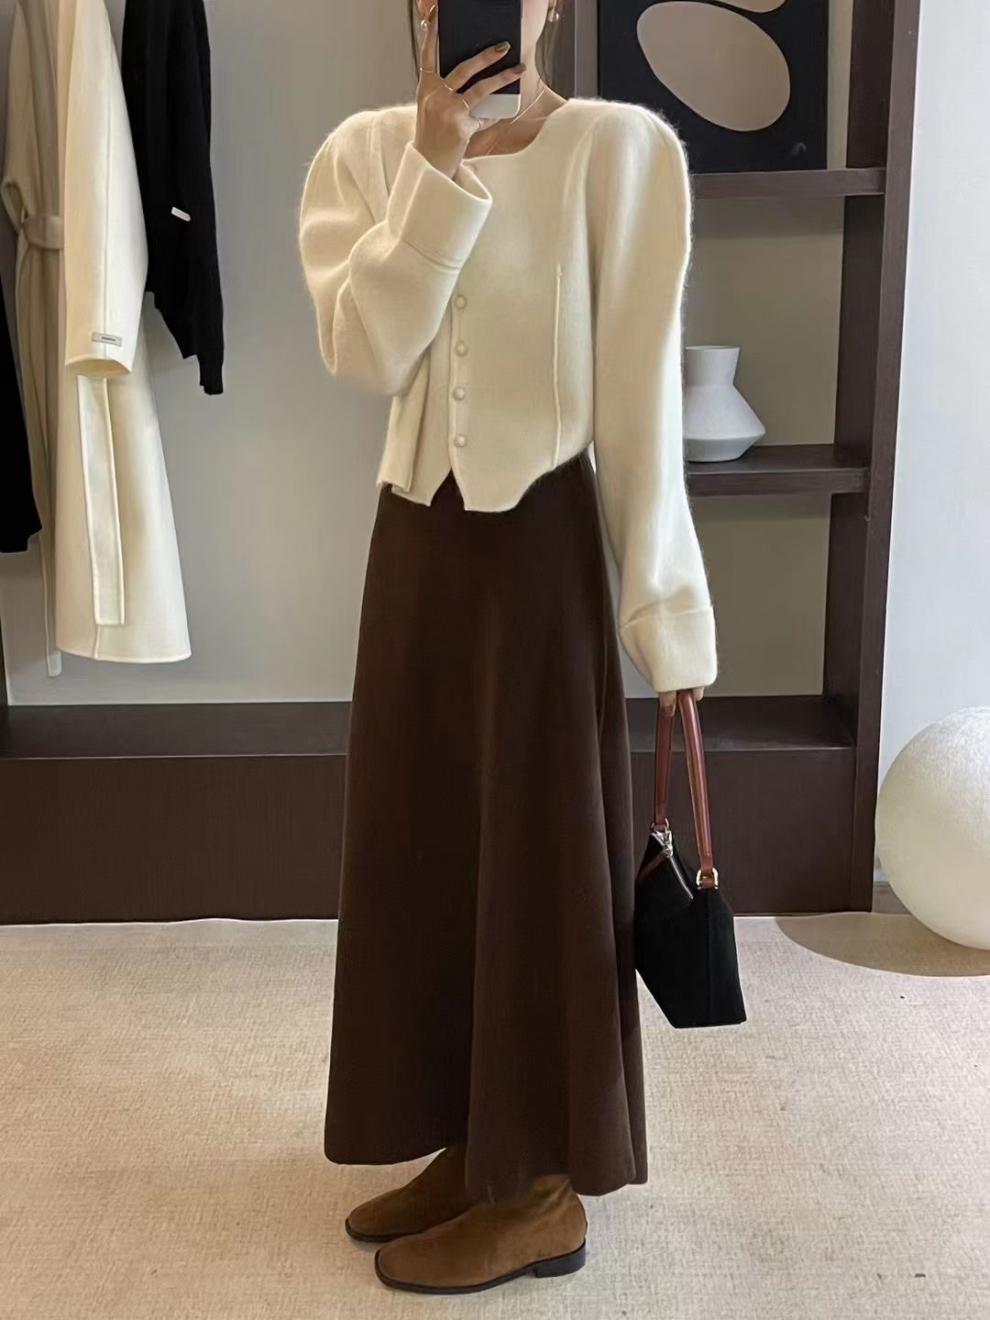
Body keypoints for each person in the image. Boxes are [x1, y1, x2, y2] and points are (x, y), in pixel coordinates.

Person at [297, 0, 718, 1295]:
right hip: (413, 550)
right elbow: (365, 352)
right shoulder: (363, 155)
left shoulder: (618, 152)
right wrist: (434, 161)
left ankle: (538, 1193)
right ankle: (468, 1143)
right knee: (419, 846)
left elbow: (638, 409)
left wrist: (667, 623)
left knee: (539, 860)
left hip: (539, 559)